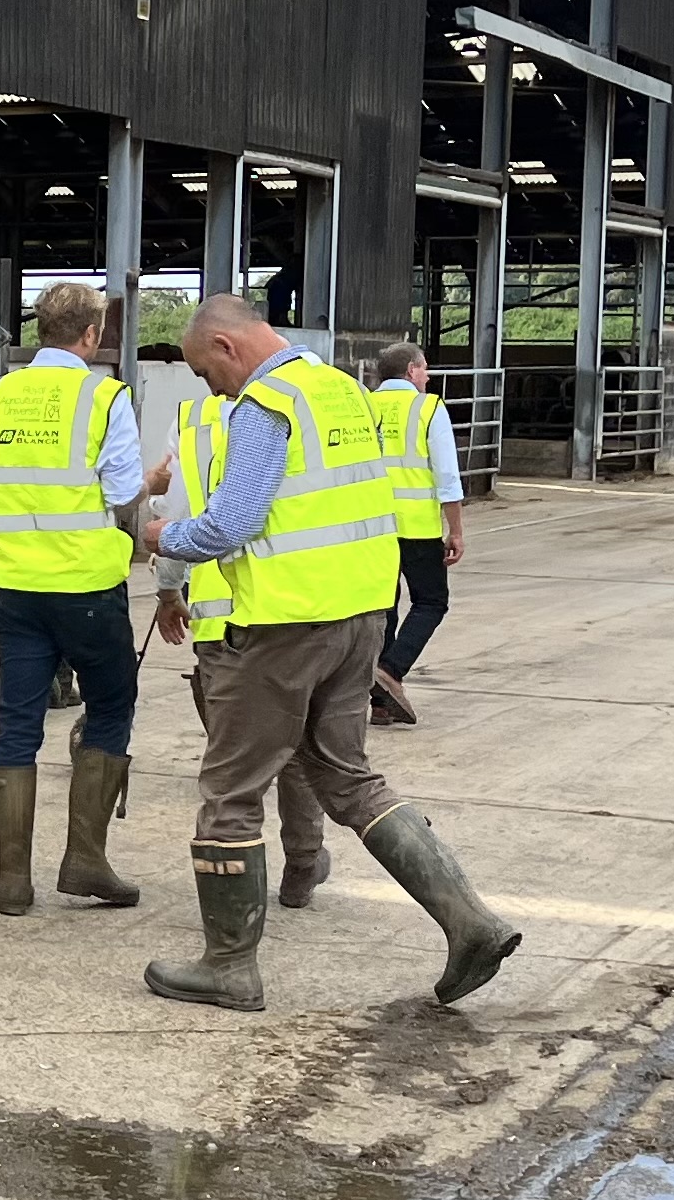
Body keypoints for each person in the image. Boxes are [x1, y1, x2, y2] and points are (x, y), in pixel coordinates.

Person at [138, 295, 523, 1013]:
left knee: (230, 794)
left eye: (203, 372)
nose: (210, 389)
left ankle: (229, 966)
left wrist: (162, 539)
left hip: (280, 628)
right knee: (348, 779)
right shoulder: (342, 393)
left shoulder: (264, 406)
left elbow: (233, 522)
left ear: (225, 346)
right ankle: (471, 922)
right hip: (359, 619)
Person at [0, 280, 146, 915]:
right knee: (111, 708)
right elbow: (121, 492)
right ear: (93, 335)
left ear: (40, 329)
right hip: (87, 585)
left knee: (18, 722)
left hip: (12, 589)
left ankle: (13, 881)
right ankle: (85, 859)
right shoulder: (104, 398)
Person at [151, 389, 331, 910]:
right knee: (293, 751)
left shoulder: (195, 420)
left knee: (233, 765)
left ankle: (233, 909)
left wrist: (167, 589)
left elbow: (178, 512)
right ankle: (303, 861)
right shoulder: (308, 408)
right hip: (290, 614)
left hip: (218, 623)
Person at [364, 342, 467, 725]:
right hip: (417, 528)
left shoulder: (363, 406)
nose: (427, 376)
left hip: (374, 527)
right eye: (424, 369)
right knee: (431, 602)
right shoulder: (428, 408)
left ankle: (378, 704)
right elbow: (447, 477)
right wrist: (455, 530)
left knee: (384, 608)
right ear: (410, 371)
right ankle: (390, 670)